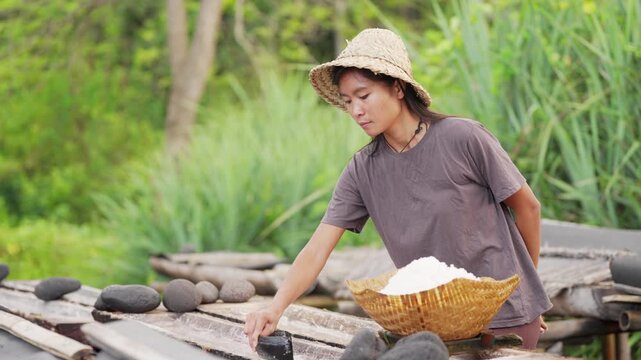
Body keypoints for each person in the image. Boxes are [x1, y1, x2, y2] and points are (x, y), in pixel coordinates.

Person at [244, 28, 552, 351]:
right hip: (434, 328)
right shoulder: (363, 170)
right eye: (348, 102)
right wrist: (274, 307)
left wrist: (524, 291)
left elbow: (528, 207)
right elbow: (317, 250)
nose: (356, 111)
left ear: (398, 88)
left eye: (364, 96)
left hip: (507, 318)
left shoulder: (464, 138)